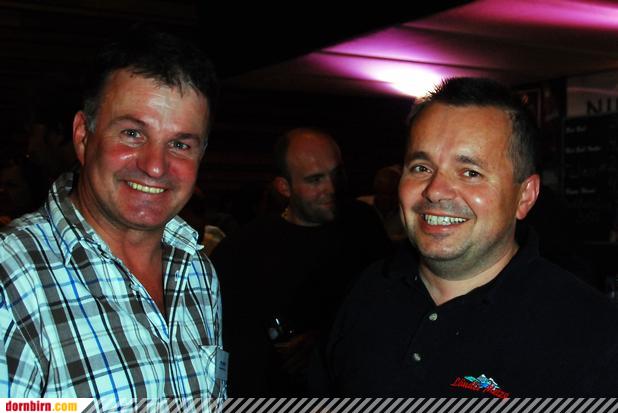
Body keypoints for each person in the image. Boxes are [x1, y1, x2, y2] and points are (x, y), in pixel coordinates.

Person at [319, 77, 618, 397]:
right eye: (421, 168)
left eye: (470, 173)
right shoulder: (366, 290)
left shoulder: (592, 331)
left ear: (525, 196)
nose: (435, 190)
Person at [0, 29, 226, 401]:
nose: (156, 166)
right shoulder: (12, 278)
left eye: (179, 144)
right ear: (83, 136)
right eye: (133, 133)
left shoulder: (198, 271)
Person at [211, 127, 391, 396]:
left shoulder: (363, 225)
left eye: (336, 174)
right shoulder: (244, 249)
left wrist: (326, 340)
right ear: (284, 187)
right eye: (315, 180)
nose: (331, 188)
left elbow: (389, 307)